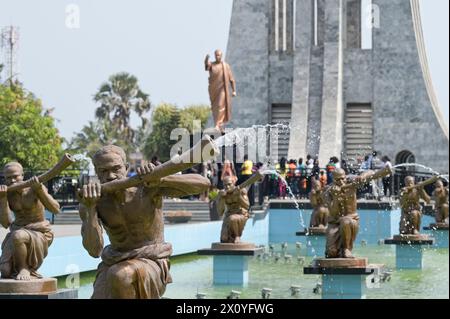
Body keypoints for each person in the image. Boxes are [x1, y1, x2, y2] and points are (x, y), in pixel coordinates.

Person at [78, 145, 210, 299]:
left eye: (116, 169)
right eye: (103, 171)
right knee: (112, 279)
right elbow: (94, 251)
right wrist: (90, 209)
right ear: (96, 172)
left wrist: (160, 179)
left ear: (126, 168)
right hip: (113, 261)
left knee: (121, 275)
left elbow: (203, 184)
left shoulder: (147, 188)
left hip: (151, 262)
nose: (111, 176)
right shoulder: (93, 202)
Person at [0, 162, 60, 280]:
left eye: (15, 176)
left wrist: (39, 190)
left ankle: (24, 268)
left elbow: (55, 209)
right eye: (8, 178)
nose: (12, 181)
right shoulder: (7, 194)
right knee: (5, 271)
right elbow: (6, 223)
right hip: (17, 230)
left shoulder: (34, 188)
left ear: (22, 175)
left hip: (40, 231)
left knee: (18, 235)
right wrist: (2, 200)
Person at [322, 167, 391, 258]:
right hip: (334, 223)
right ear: (333, 179)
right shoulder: (327, 191)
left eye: (343, 178)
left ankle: (347, 249)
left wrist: (362, 176)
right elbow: (333, 212)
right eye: (338, 180)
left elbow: (371, 172)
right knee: (331, 253)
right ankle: (338, 251)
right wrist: (335, 197)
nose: (341, 181)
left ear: (345, 177)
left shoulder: (351, 182)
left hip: (351, 221)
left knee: (345, 221)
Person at [217, 172, 263, 243]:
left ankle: (237, 236)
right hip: (229, 214)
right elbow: (220, 213)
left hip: (241, 214)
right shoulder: (223, 194)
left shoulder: (241, 191)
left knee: (232, 218)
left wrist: (239, 196)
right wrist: (222, 199)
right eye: (225, 185)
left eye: (229, 184)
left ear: (234, 183)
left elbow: (247, 206)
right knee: (224, 239)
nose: (227, 187)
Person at [204, 49, 236, 132]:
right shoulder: (212, 65)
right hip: (214, 90)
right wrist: (206, 59)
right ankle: (218, 124)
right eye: (216, 55)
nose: (217, 56)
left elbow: (231, 79)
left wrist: (233, 90)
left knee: (220, 105)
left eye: (219, 55)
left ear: (221, 56)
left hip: (222, 89)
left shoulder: (225, 66)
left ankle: (218, 124)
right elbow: (207, 66)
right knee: (215, 107)